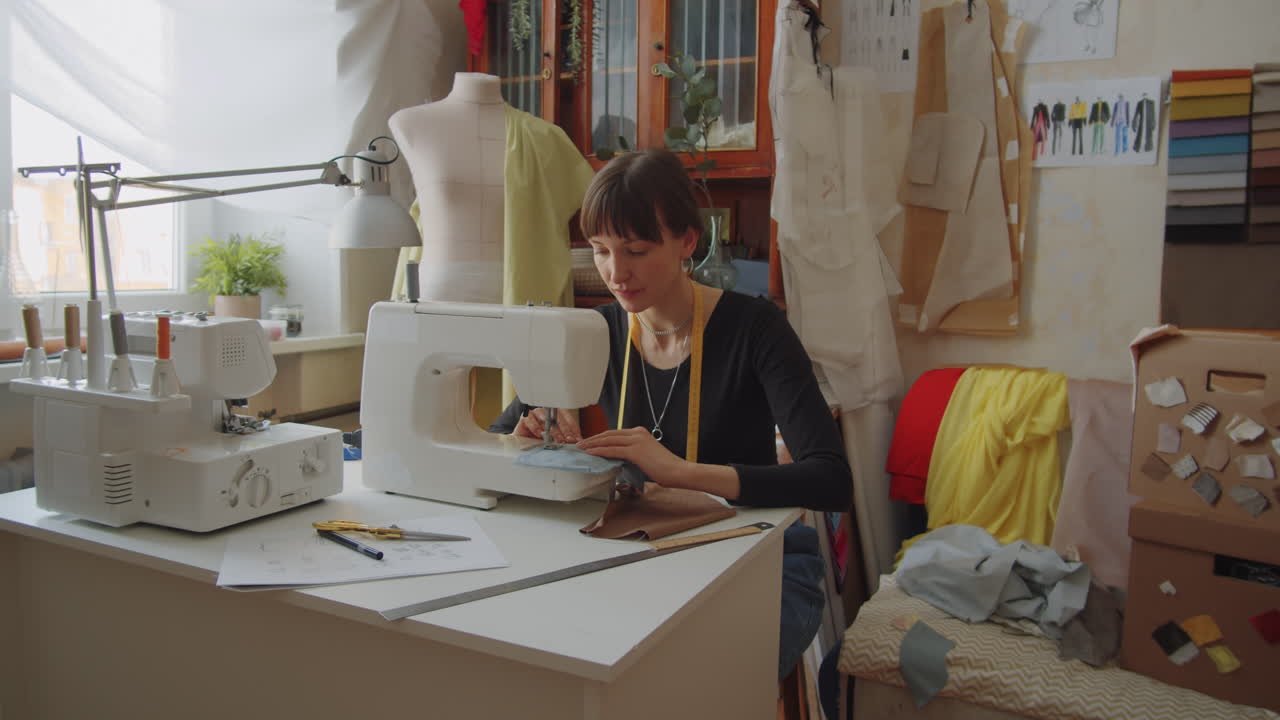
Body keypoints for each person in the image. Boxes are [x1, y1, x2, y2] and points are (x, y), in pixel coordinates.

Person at [489, 148, 853, 681]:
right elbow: (497, 439)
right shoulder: (594, 332)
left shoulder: (756, 330)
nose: (615, 272)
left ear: (687, 240)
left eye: (635, 250)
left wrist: (679, 472)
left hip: (757, 559)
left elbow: (831, 480)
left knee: (684, 682)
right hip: (640, 555)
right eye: (600, 250)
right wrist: (525, 439)